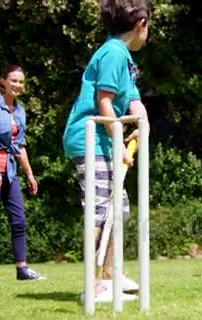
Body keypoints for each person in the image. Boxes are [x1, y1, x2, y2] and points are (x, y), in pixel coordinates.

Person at [62, 0, 150, 303]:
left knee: (118, 209)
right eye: (148, 26)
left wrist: (143, 123)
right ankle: (93, 283)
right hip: (90, 140)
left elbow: (133, 100)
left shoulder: (123, 58)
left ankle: (111, 274)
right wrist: (119, 144)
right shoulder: (113, 53)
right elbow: (104, 103)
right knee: (99, 211)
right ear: (140, 24)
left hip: (103, 139)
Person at [0, 65, 45, 284]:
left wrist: (30, 175)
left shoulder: (20, 110)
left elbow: (20, 146)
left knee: (19, 220)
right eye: (13, 80)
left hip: (10, 171)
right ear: (3, 82)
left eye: (21, 82)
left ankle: (22, 269)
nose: (17, 85)